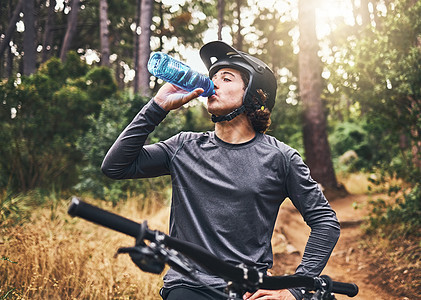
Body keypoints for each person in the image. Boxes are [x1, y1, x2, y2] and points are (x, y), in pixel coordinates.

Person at [101, 41, 340, 300]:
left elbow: (325, 222)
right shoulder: (184, 146)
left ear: (254, 95)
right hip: (188, 285)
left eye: (226, 78)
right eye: (213, 77)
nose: (214, 83)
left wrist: (294, 289)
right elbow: (115, 166)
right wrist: (157, 106)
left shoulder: (280, 157)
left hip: (249, 289)